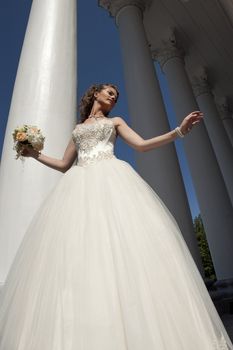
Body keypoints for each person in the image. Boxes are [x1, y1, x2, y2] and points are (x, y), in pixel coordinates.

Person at [0, 83, 232, 350]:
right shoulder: (77, 130)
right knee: (79, 254)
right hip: (78, 185)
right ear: (95, 94)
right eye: (109, 91)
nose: (113, 96)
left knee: (120, 248)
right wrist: (34, 154)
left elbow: (142, 146)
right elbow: (65, 165)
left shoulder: (116, 122)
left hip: (113, 179)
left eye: (116, 95)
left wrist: (179, 131)